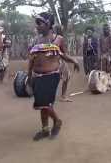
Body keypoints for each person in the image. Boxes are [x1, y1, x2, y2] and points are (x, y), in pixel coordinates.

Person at [28, 12, 79, 141]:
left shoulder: (58, 39)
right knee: (41, 104)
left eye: (40, 23)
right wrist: (29, 76)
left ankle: (57, 121)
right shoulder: (35, 40)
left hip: (51, 76)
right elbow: (31, 60)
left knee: (44, 103)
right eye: (37, 23)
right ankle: (45, 130)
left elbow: (63, 55)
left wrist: (74, 61)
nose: (37, 26)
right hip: (37, 76)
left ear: (49, 24)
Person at [53, 25, 73, 102]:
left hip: (50, 60)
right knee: (66, 76)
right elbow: (64, 52)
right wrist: (71, 60)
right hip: (60, 60)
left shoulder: (49, 38)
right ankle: (63, 96)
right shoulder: (60, 38)